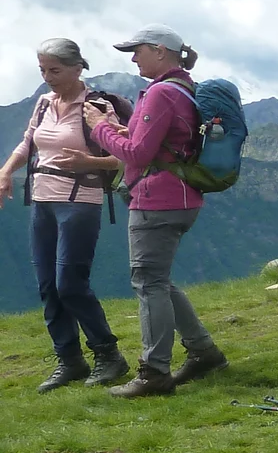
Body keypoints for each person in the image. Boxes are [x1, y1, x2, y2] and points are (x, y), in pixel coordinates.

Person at [90, 25, 228, 398]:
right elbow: (152, 141)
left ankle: (154, 373)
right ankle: (203, 352)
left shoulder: (161, 93)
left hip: (157, 201)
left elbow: (135, 153)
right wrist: (121, 127)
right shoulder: (183, 89)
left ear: (159, 50)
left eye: (137, 51)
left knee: (148, 283)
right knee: (160, 280)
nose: (133, 58)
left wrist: (100, 128)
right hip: (183, 198)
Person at [0, 39, 131, 391]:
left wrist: (88, 162)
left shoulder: (97, 106)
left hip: (80, 201)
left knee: (70, 284)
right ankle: (69, 360)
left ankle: (109, 356)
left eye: (54, 70)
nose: (47, 77)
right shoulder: (44, 103)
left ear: (77, 68)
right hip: (42, 201)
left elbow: (123, 156)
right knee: (47, 285)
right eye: (42, 70)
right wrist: (6, 171)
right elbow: (29, 142)